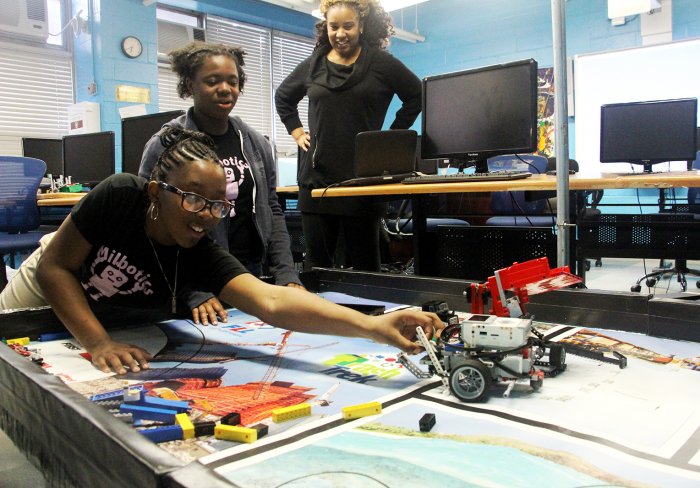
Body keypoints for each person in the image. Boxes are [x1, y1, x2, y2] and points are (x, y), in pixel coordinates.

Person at [0, 128, 442, 375]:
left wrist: (374, 326)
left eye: (218, 204)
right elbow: (56, 268)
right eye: (193, 198)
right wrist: (96, 342)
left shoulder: (196, 245)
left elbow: (272, 301)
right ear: (157, 191)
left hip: (105, 313)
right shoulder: (120, 195)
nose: (207, 214)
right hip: (41, 293)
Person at [140, 41, 302, 325]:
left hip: (250, 274)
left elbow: (271, 210)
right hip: (196, 282)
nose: (225, 89)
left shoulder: (256, 143)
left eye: (233, 81)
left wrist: (286, 274)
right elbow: (149, 225)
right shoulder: (166, 144)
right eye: (212, 81)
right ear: (190, 85)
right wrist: (190, 290)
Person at [275, 0, 422, 272]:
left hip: (362, 181)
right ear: (325, 28)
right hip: (317, 180)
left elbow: (416, 95)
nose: (340, 33)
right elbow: (283, 97)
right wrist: (296, 131)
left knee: (366, 269)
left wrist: (389, 138)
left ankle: (370, 316)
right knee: (317, 269)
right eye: (333, 26)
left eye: (348, 26)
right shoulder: (314, 64)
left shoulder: (380, 63)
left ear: (362, 26)